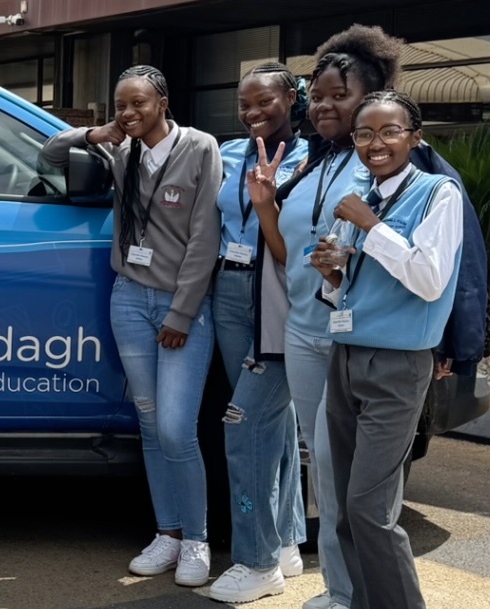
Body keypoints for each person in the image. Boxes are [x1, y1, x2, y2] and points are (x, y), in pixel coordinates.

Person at [40, 65, 222, 587]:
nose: (129, 112)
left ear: (163, 102)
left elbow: (205, 237)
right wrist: (95, 133)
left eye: (139, 102)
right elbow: (50, 154)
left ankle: (197, 539)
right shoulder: (122, 151)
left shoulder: (199, 147)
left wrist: (182, 313)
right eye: (121, 104)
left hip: (180, 304)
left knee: (176, 428)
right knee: (148, 421)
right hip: (129, 298)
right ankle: (167, 533)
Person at [251, 25, 402, 609]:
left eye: (340, 95)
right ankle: (341, 589)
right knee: (325, 470)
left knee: (351, 478)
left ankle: (357, 593)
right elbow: (287, 256)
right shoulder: (312, 164)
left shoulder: (382, 163)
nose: (324, 106)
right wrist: (267, 206)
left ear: (371, 95)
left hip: (354, 338)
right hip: (303, 333)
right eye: (317, 96)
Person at [311, 90, 462, 609]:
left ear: (415, 137)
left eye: (390, 131)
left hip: (397, 363)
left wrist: (371, 227)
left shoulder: (438, 193)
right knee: (344, 510)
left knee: (370, 509)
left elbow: (429, 278)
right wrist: (332, 273)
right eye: (364, 133)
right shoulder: (363, 196)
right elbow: (349, 288)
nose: (376, 143)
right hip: (346, 354)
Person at [207, 62, 312, 604]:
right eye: (244, 104)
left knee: (246, 419)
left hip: (279, 292)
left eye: (264, 102)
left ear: (292, 98)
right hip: (228, 288)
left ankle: (258, 560)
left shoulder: (313, 158)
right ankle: (287, 538)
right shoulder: (227, 153)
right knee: (273, 419)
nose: (252, 113)